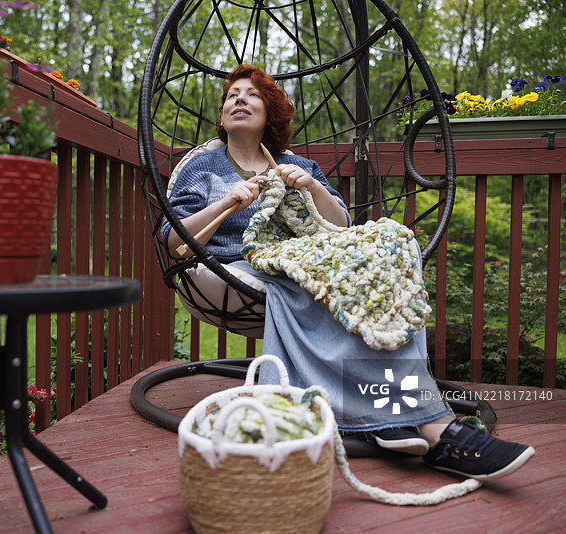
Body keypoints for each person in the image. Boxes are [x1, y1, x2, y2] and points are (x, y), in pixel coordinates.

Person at [162, 64, 534, 481]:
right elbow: (174, 241)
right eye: (232, 95)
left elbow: (340, 226)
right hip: (242, 264)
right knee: (316, 280)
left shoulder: (298, 165)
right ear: (222, 113)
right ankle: (436, 429)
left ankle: (388, 420)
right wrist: (228, 202)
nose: (239, 100)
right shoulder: (202, 167)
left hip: (310, 257)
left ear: (270, 113)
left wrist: (311, 186)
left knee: (393, 249)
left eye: (252, 95)